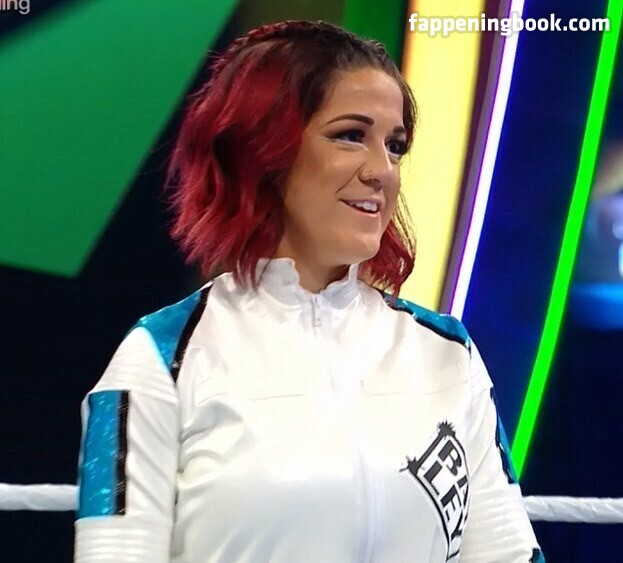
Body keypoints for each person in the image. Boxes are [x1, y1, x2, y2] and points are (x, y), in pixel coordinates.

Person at [73, 20, 544, 563]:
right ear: (262, 150)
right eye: (350, 135)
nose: (382, 171)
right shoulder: (160, 359)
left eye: (395, 146)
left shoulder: (447, 354)